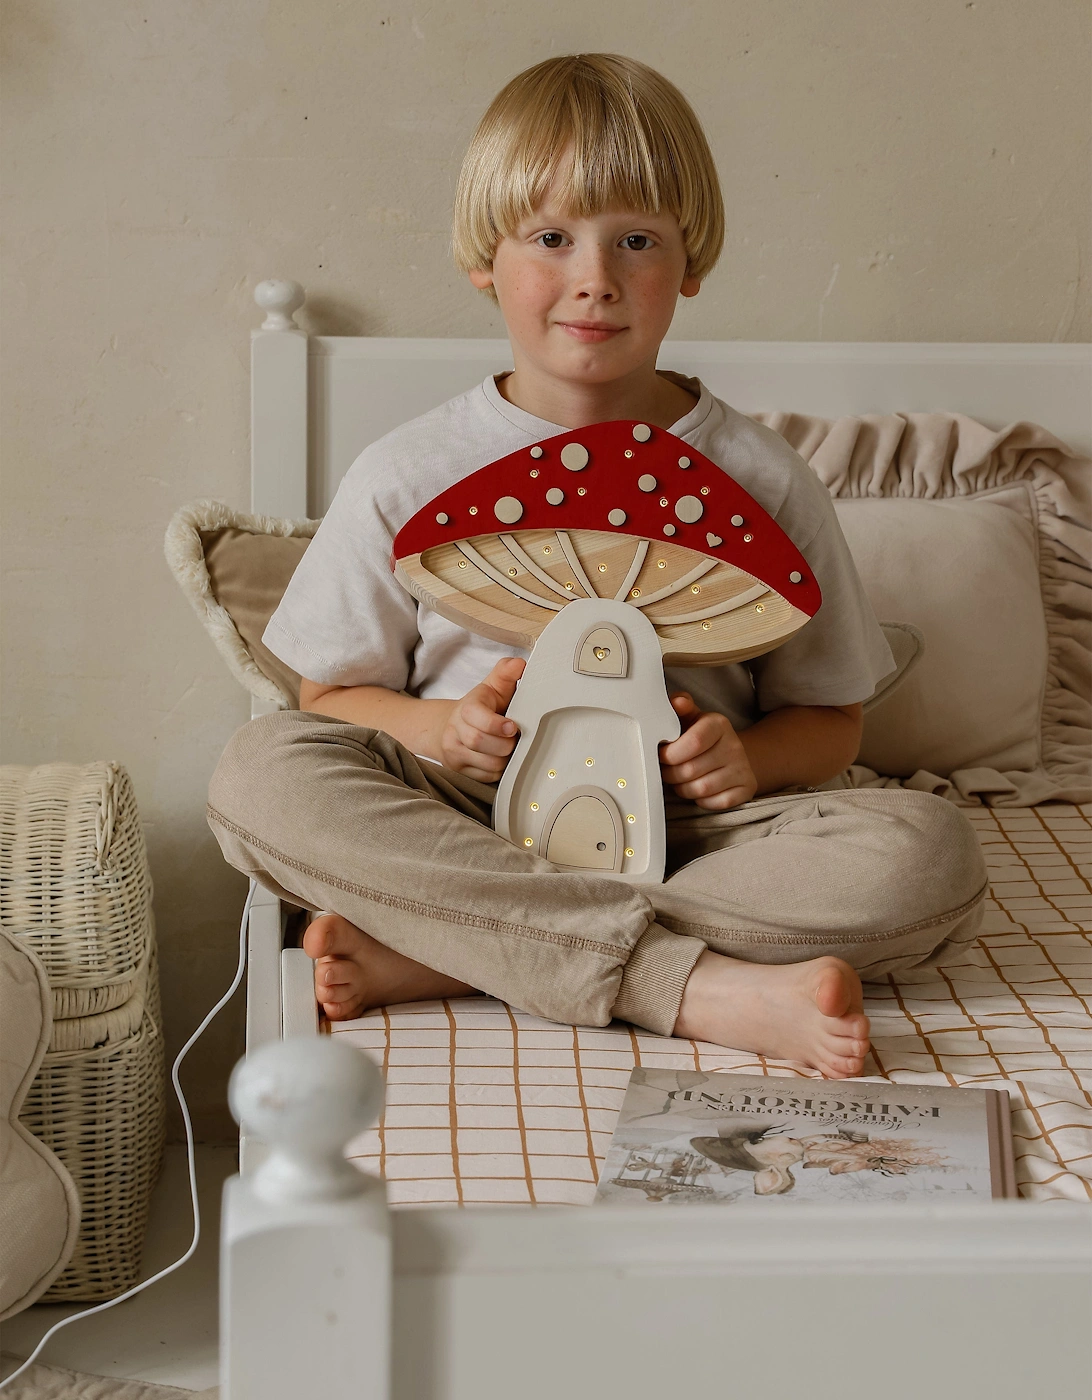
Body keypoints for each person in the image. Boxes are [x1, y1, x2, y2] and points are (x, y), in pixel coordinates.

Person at [208, 54, 987, 1079]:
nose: (595, 278)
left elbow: (830, 720)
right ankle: (690, 985)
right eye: (551, 238)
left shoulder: (763, 475)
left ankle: (455, 950)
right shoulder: (405, 471)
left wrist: (750, 762)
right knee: (258, 772)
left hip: (696, 832)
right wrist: (438, 730)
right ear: (484, 257)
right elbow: (328, 696)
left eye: (637, 240)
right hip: (461, 824)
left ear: (691, 260)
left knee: (930, 853)